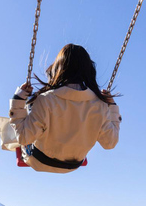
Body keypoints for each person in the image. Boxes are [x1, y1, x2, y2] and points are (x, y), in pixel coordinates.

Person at [8, 44, 121, 173]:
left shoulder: (46, 99)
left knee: (15, 120)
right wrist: (111, 107)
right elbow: (110, 143)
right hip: (72, 165)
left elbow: (23, 138)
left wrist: (18, 100)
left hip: (39, 161)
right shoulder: (100, 106)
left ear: (58, 68)